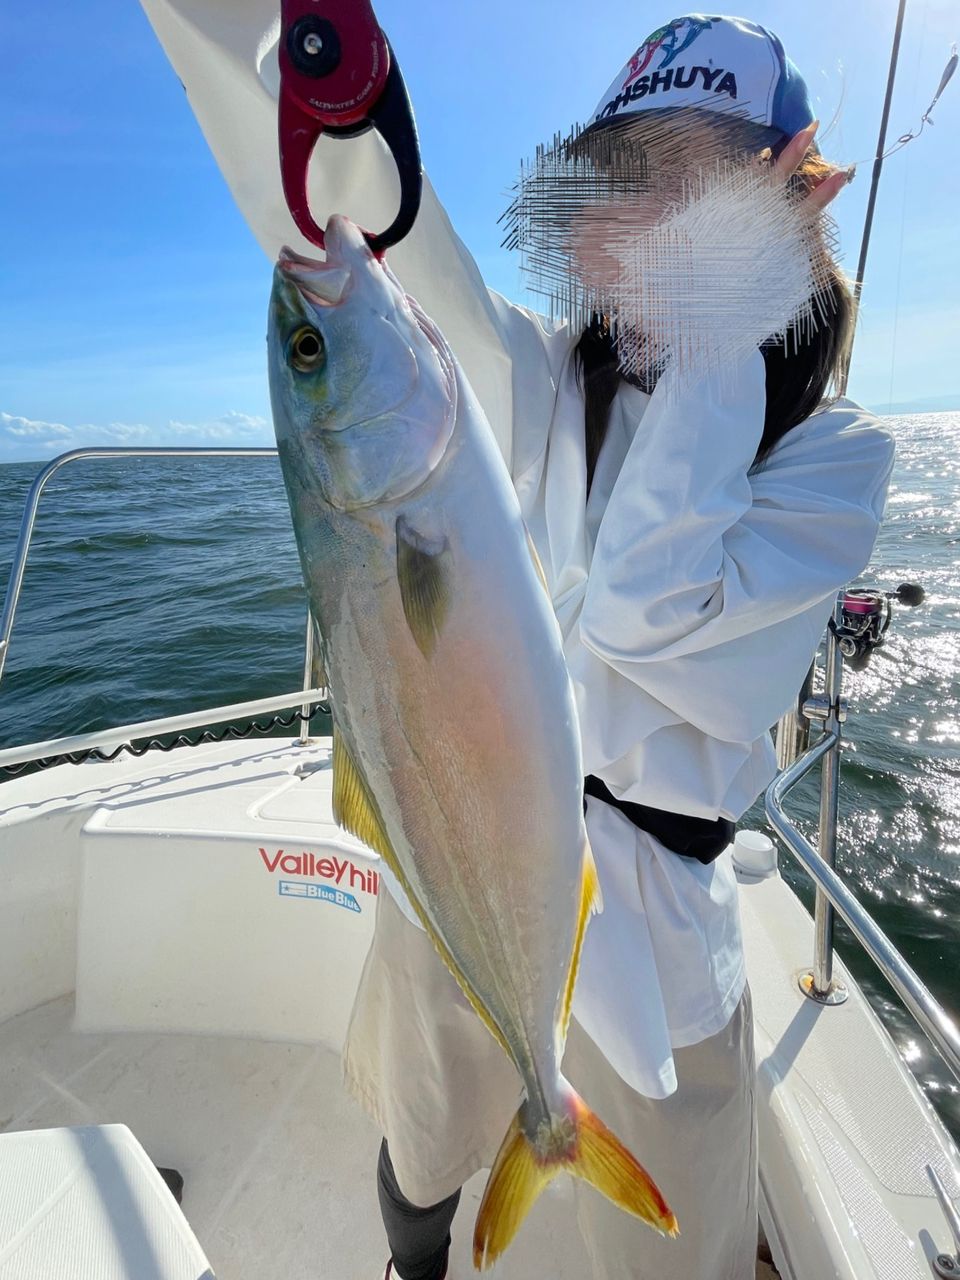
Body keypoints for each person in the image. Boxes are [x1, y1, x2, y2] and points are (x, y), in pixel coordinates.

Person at [140, 7, 895, 1277]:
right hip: (462, 850)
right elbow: (387, 237)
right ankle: (413, 1259)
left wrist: (718, 327)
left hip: (658, 937)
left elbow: (650, 615)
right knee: (421, 1131)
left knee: (674, 1240)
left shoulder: (838, 458)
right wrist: (327, 89)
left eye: (687, 193)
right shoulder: (546, 379)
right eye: (614, 185)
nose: (632, 228)